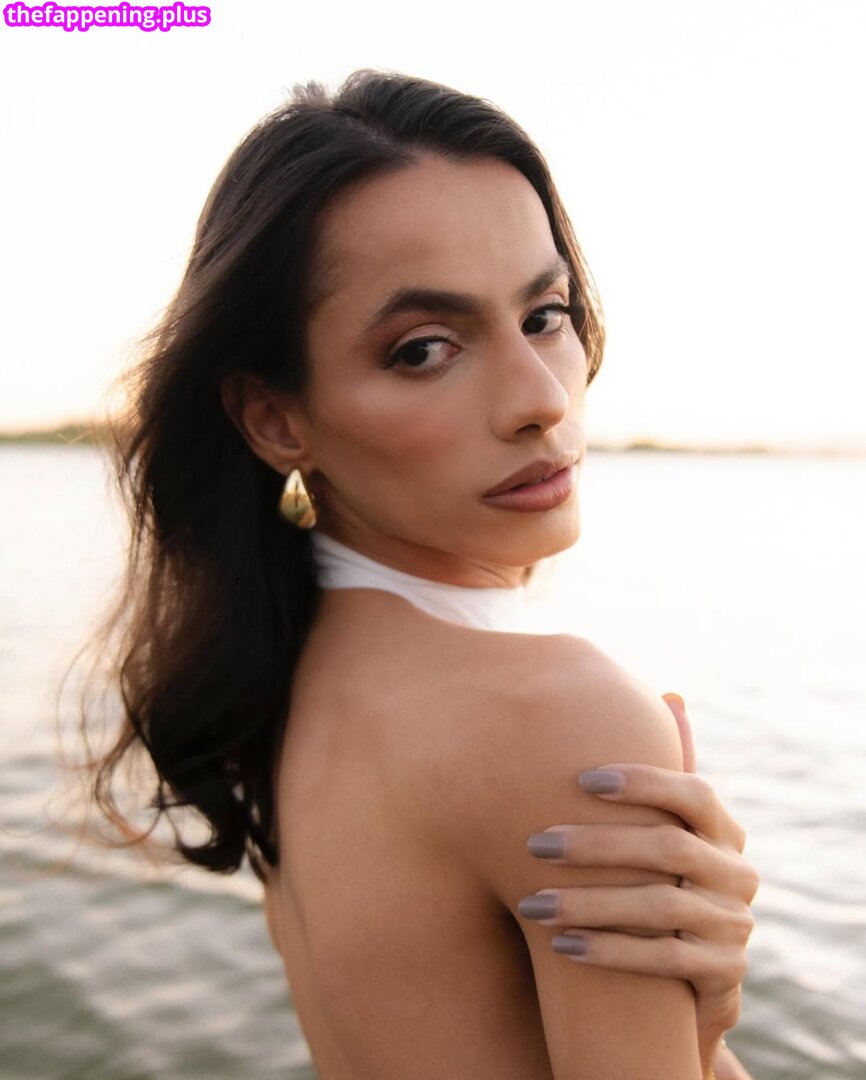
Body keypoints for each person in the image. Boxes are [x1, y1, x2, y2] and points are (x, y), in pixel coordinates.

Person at [82, 70, 758, 1078]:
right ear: (277, 419)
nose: (540, 400)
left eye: (545, 314)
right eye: (424, 349)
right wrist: (709, 1030)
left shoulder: (280, 688)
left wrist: (693, 1023)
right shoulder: (559, 718)